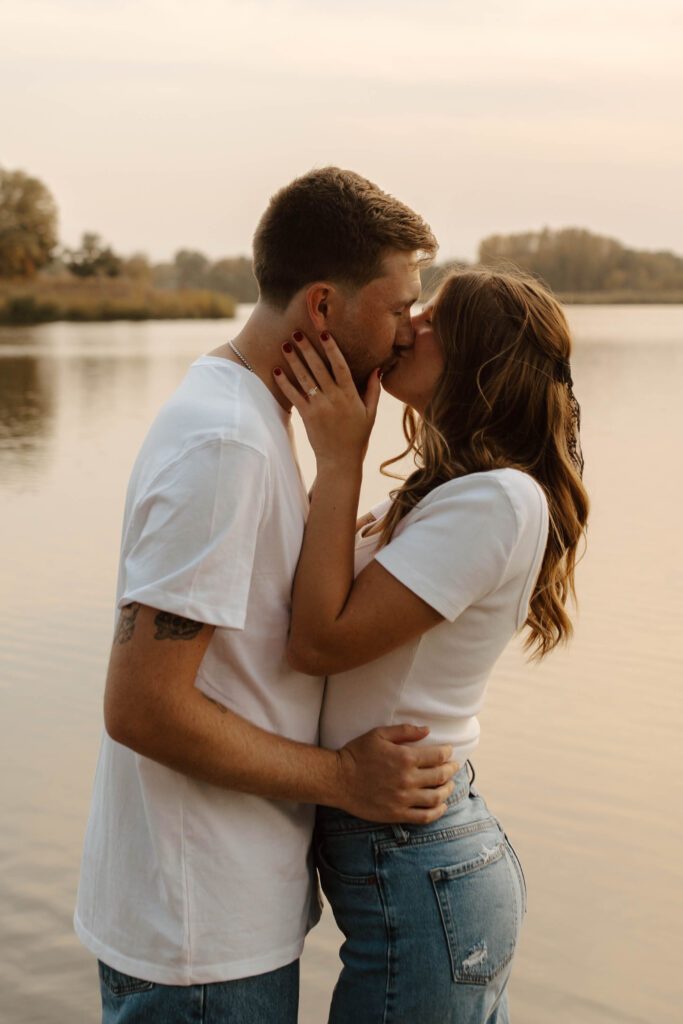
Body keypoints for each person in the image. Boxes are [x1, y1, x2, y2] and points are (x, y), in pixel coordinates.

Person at [74, 167, 459, 1024]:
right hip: (198, 939)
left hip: (209, 920)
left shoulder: (249, 420)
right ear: (321, 307)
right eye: (397, 309)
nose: (407, 333)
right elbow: (142, 707)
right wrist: (344, 780)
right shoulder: (227, 446)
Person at [273, 267, 590, 1023]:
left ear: (482, 355)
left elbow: (319, 640)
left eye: (436, 317)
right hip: (408, 858)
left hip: (420, 864)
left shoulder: (498, 499)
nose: (408, 323)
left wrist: (342, 455)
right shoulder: (437, 491)